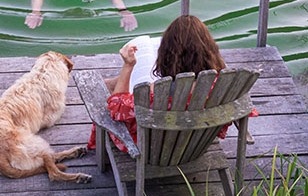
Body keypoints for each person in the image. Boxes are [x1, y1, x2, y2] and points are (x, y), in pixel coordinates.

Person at [87, 14, 241, 152]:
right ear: (210, 49)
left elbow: (117, 110)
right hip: (195, 146)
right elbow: (245, 109)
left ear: (167, 54)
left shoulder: (158, 94)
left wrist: (128, 66)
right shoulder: (222, 86)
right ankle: (112, 83)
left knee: (107, 98)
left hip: (154, 150)